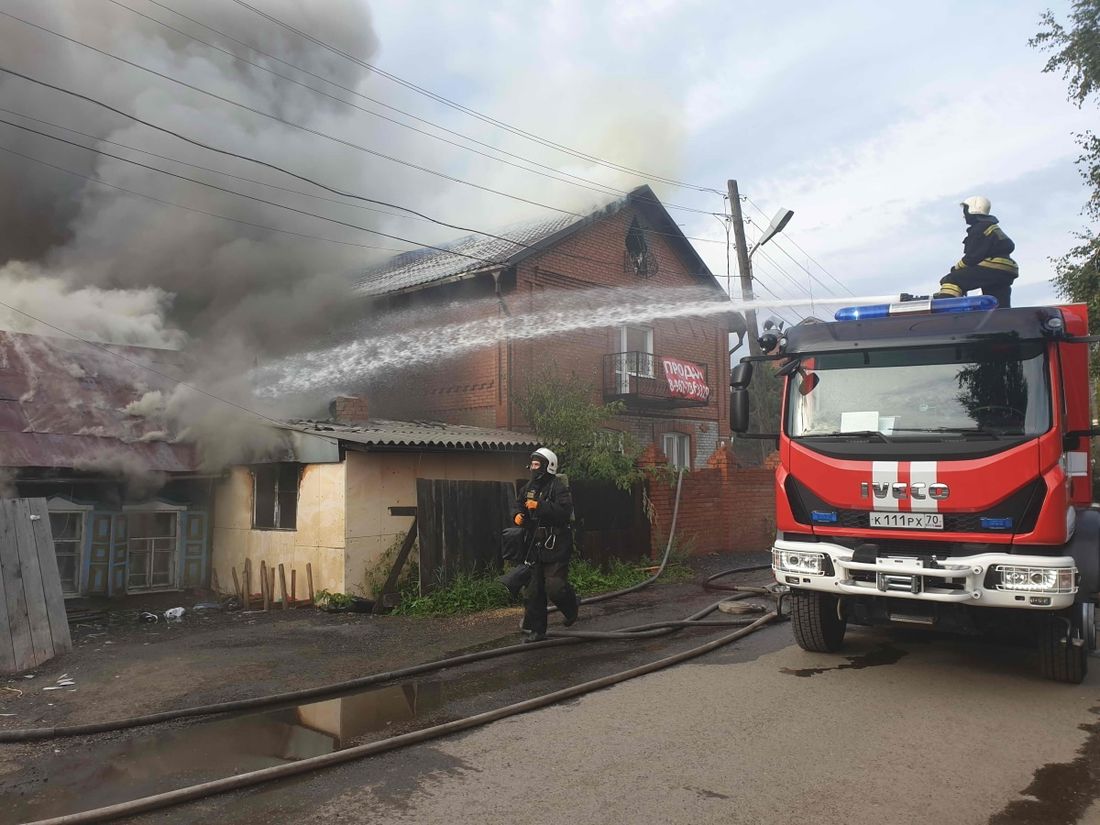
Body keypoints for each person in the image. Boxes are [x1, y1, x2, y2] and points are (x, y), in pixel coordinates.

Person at [507, 447, 579, 642]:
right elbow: (517, 504)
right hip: (535, 545)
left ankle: (571, 607)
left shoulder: (558, 488)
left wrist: (541, 506)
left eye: (537, 464)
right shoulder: (529, 487)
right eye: (532, 464)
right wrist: (517, 515)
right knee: (533, 590)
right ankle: (538, 631)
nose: (533, 467)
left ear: (549, 466)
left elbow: (564, 512)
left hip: (556, 544)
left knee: (555, 587)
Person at [934, 196, 1018, 308]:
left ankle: (946, 306)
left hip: (993, 267)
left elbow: (972, 257)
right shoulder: (992, 227)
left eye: (965, 211)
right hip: (1007, 269)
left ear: (973, 210)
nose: (964, 216)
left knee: (952, 279)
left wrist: (956, 268)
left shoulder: (979, 229)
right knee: (998, 299)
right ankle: (1001, 316)